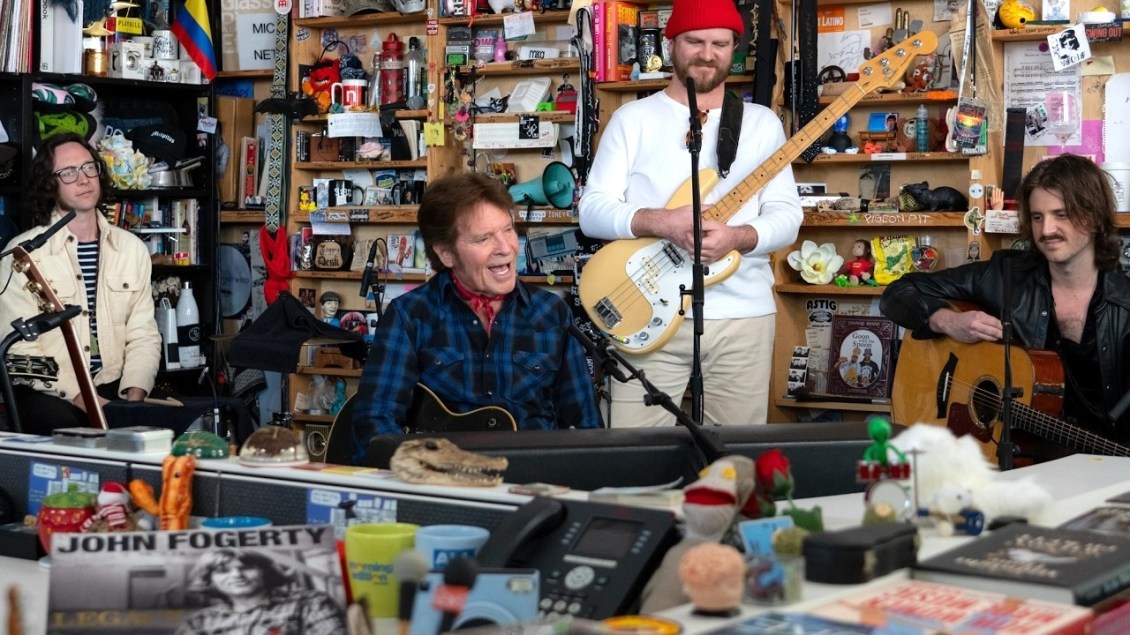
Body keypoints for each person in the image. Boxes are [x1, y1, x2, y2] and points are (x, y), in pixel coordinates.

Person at [577, 0, 803, 427]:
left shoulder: (761, 124)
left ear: (734, 47)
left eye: (720, 43)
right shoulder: (632, 120)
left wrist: (736, 237)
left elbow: (787, 216)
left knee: (733, 462)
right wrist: (662, 222)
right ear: (672, 43)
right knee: (635, 456)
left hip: (742, 319)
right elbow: (592, 211)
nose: (706, 53)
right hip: (643, 304)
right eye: (694, 41)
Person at [881, 154, 1130, 451]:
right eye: (1037, 217)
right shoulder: (1004, 274)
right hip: (1012, 461)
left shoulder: (1124, 303)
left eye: (1061, 215)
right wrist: (947, 320)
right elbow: (898, 292)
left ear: (1092, 216)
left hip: (1101, 463)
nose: (1046, 230)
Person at [350, 173, 601, 462]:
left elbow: (586, 427)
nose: (505, 248)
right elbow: (374, 425)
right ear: (446, 253)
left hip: (534, 485)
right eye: (484, 238)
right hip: (447, 489)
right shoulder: (410, 316)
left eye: (508, 230)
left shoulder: (551, 313)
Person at [0, 133, 160, 434]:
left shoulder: (132, 248)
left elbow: (143, 334)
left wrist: (133, 398)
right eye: (68, 172)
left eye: (89, 167)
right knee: (68, 437)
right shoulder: (22, 254)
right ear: (50, 184)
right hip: (52, 392)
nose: (84, 179)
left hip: (115, 387)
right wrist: (84, 398)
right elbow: (19, 354)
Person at [176, 549, 346, 635]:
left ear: (266, 571)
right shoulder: (199, 622)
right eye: (223, 570)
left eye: (247, 567)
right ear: (209, 581)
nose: (237, 575)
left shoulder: (310, 603)